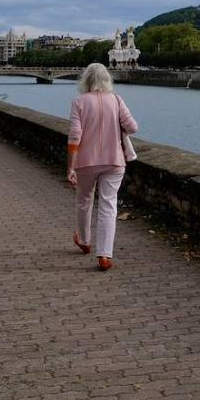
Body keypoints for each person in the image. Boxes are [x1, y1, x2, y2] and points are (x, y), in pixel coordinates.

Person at [66, 62, 139, 270]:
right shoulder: (116, 99)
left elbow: (75, 135)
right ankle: (105, 255)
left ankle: (84, 240)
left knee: (84, 200)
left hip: (86, 162)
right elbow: (133, 127)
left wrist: (70, 167)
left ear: (86, 80)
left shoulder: (79, 102)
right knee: (109, 204)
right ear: (107, 80)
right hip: (114, 160)